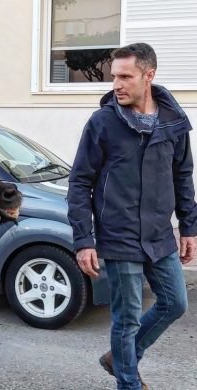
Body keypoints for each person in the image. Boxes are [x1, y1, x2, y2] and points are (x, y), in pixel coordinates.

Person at [67, 42, 197, 390]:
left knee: (175, 304)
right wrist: (84, 239)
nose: (117, 84)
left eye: (126, 76)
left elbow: (183, 175)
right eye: (114, 77)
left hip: (157, 234)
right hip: (118, 235)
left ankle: (119, 358)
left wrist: (189, 227)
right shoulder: (103, 123)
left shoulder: (173, 122)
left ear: (148, 76)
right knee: (125, 319)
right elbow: (80, 182)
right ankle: (129, 383)